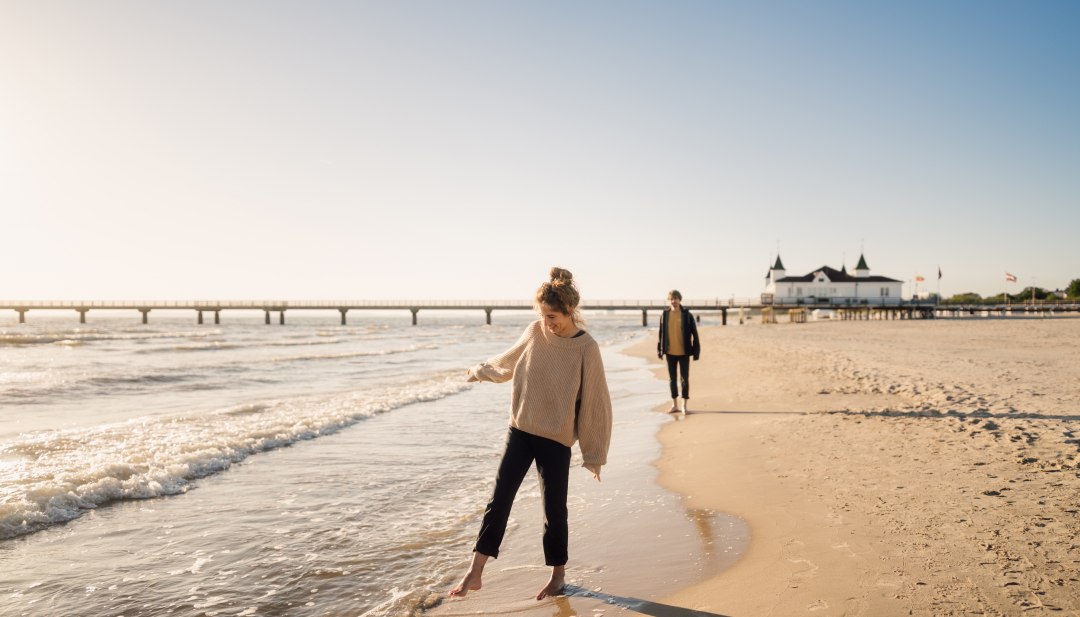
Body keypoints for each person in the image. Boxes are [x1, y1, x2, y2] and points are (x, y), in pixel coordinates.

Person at [449, 267, 613, 602]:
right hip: (520, 431)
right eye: (542, 315)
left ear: (570, 312)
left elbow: (595, 402)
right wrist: (480, 371)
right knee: (499, 500)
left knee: (555, 511)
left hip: (556, 440)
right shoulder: (535, 331)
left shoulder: (587, 348)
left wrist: (594, 455)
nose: (546, 322)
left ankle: (557, 576)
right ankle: (475, 570)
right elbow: (507, 363)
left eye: (551, 316)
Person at [657, 290, 700, 413]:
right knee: (672, 380)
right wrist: (660, 350)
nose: (674, 301)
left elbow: (694, 334)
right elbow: (661, 334)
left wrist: (696, 351)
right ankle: (675, 405)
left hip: (684, 352)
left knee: (684, 379)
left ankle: (684, 406)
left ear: (680, 300)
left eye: (676, 298)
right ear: (669, 300)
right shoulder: (664, 315)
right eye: (671, 298)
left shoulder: (687, 315)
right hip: (670, 352)